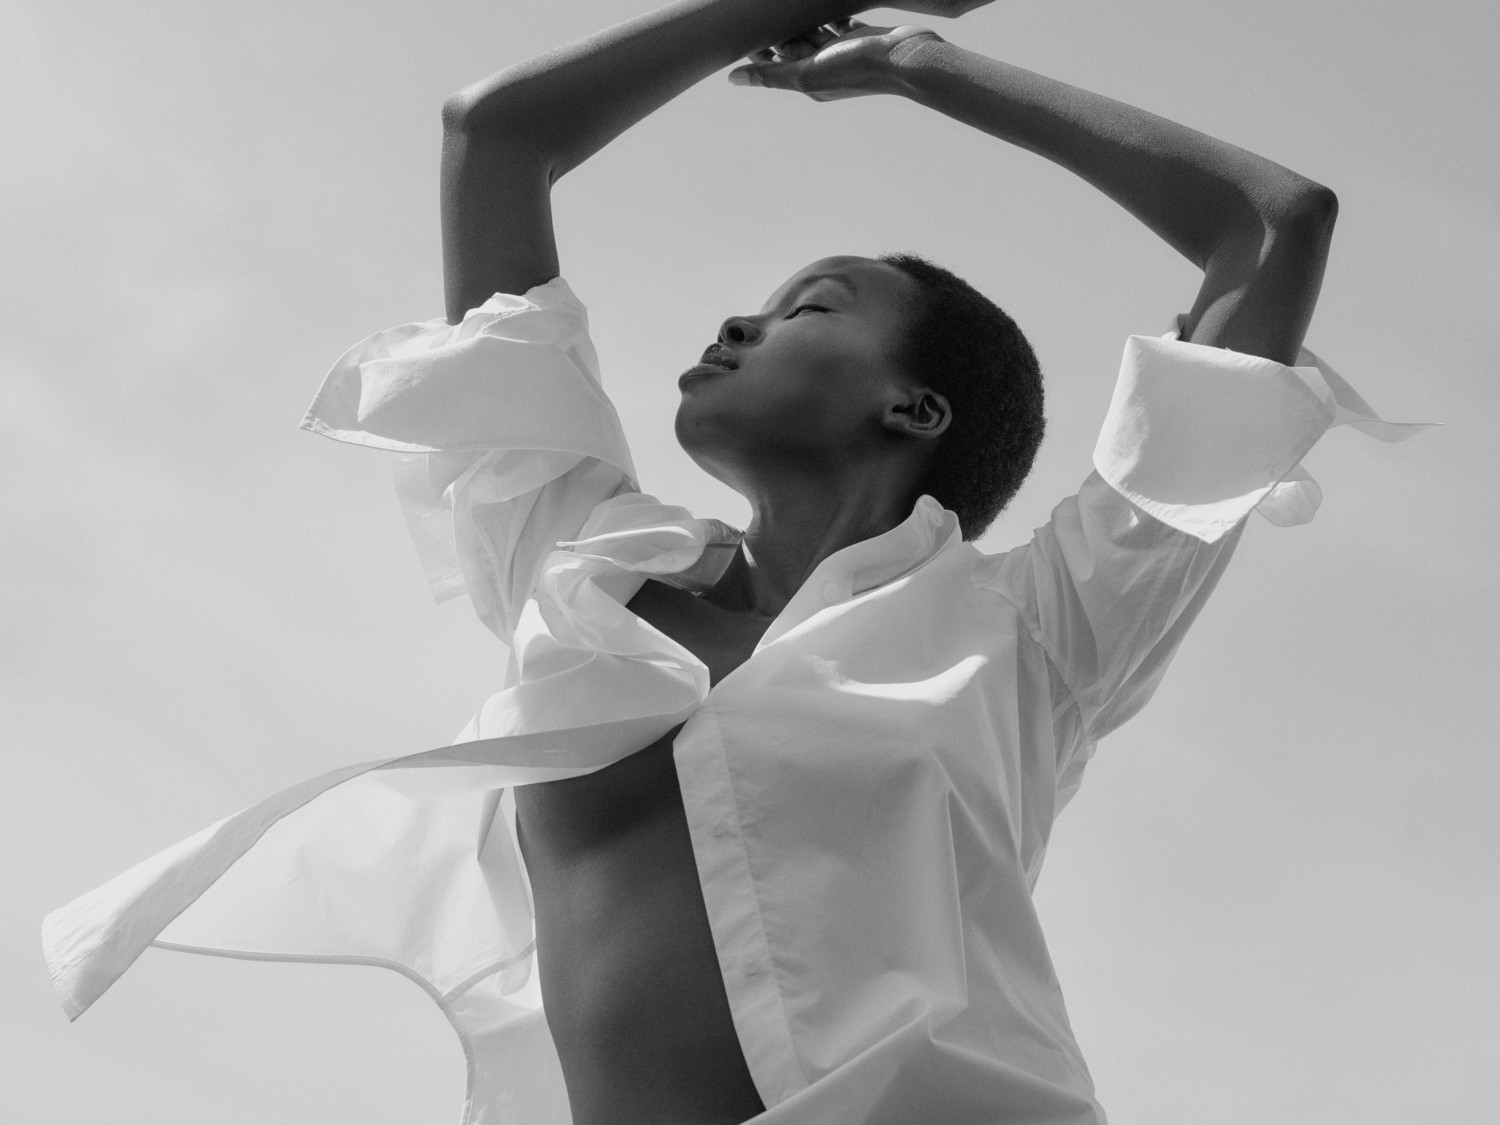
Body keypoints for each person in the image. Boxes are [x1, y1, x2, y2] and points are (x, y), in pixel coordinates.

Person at [45, 2, 1425, 1123]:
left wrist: (913, 66)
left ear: (916, 410)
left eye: (808, 306)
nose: (738, 321)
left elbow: (1272, 221)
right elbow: (498, 135)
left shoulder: (1041, 627)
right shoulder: (578, 562)